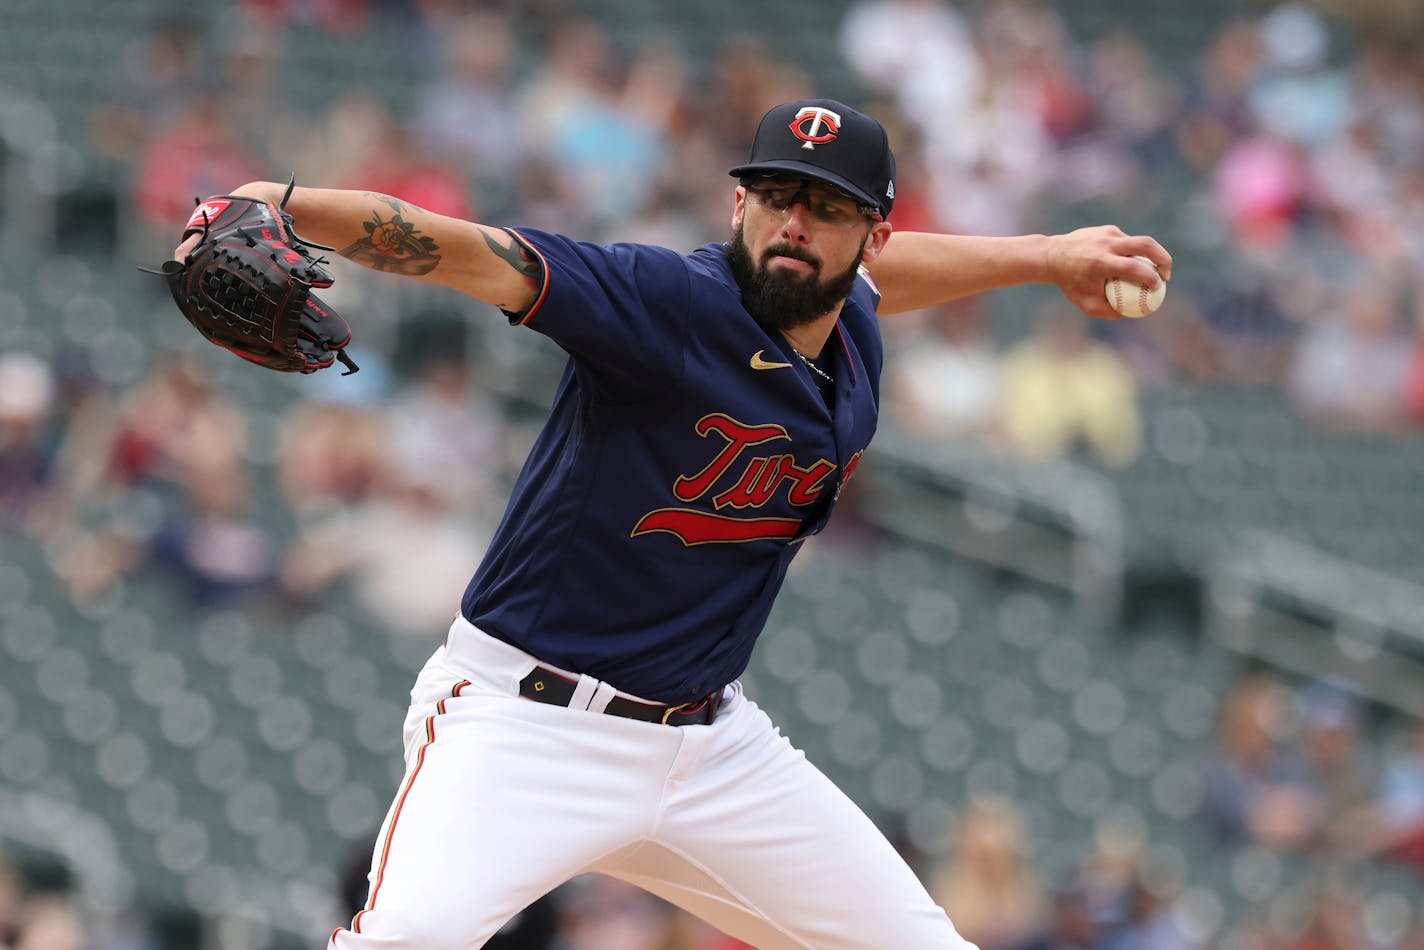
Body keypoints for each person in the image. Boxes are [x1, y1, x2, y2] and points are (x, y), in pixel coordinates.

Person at [173, 98, 1170, 949]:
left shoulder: (852, 321)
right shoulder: (664, 302)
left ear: (868, 233)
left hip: (709, 747)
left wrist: (1045, 255)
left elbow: (881, 281)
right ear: (738, 203)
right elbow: (474, 252)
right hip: (525, 724)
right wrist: (281, 204)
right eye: (775, 194)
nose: (793, 221)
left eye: (825, 207)